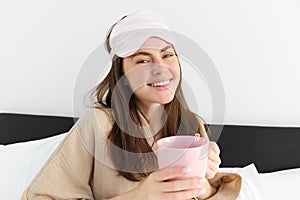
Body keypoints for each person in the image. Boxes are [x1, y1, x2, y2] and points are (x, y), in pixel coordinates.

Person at [21, 10, 241, 200]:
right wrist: (140, 195)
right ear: (122, 74)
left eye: (167, 55)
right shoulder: (99, 125)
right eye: (143, 60)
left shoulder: (193, 124)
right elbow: (40, 196)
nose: (161, 68)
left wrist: (202, 186)